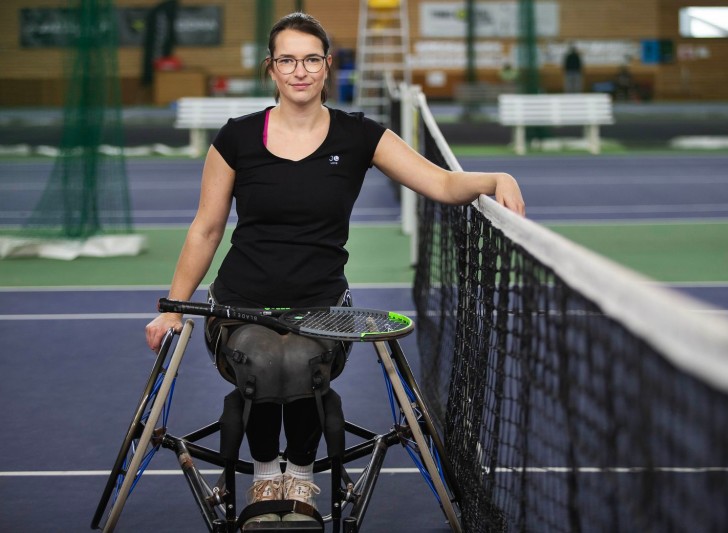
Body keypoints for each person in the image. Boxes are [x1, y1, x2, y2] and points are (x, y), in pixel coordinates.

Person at [144, 11, 525, 528]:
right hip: (237, 304)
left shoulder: (359, 136)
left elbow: (439, 184)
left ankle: (300, 472)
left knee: (298, 359)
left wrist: (493, 177)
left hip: (323, 309)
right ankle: (263, 471)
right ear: (271, 69)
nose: (299, 70)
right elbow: (207, 229)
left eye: (310, 59)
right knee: (260, 357)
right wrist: (173, 306)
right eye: (287, 60)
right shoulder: (235, 138)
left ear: (327, 66)